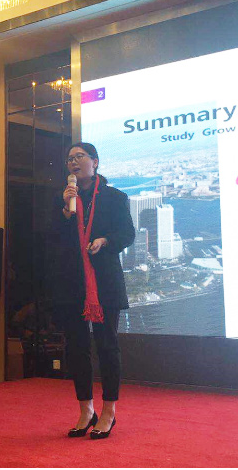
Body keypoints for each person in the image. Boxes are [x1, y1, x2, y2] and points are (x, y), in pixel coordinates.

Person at [51, 142, 135, 439]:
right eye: (69, 159)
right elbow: (53, 239)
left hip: (104, 282)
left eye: (79, 157)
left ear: (95, 162)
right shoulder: (64, 200)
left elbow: (127, 233)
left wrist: (105, 241)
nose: (73, 162)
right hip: (72, 282)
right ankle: (86, 409)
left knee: (107, 346)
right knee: (76, 347)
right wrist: (65, 209)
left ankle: (109, 411)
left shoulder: (114, 197)